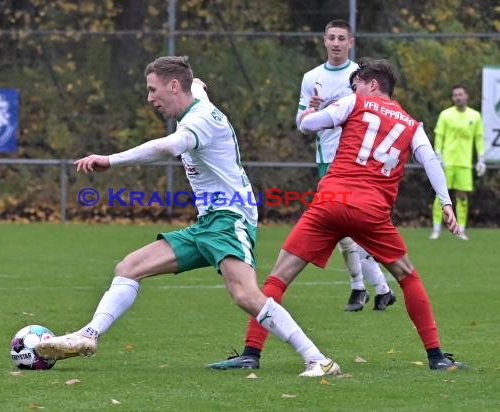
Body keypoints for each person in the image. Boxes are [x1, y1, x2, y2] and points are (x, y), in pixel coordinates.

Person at [34, 56, 341, 378]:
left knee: (246, 295)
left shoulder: (201, 119)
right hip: (208, 222)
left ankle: (317, 359)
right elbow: (199, 85)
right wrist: (194, 79)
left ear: (173, 86)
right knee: (129, 267)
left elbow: (169, 147)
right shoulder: (195, 98)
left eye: (154, 90)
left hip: (229, 217)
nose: (150, 98)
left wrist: (110, 160)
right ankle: (89, 335)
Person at [207, 58, 465, 372]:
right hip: (371, 210)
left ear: (371, 84)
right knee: (407, 276)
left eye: (356, 84)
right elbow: (430, 161)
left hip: (331, 200)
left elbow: (307, 125)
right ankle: (437, 357)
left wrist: (310, 110)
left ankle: (251, 352)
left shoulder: (356, 101)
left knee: (277, 278)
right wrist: (446, 202)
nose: (353, 89)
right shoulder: (412, 124)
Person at [297, 19, 395, 312]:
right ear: (324, 41)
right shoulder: (311, 77)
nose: (336, 42)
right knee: (343, 232)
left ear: (350, 42)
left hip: (357, 163)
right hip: (327, 161)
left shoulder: (362, 78)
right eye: (332, 37)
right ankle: (373, 289)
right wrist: (314, 109)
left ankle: (367, 288)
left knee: (351, 228)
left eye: (342, 38)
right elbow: (301, 122)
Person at [430, 84, 485, 241]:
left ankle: (461, 229)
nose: (458, 97)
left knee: (462, 197)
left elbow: (479, 138)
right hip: (446, 162)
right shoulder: (445, 115)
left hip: (464, 163)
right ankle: (436, 229)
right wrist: (438, 155)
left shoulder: (475, 116)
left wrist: (481, 158)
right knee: (440, 196)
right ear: (453, 98)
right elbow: (439, 136)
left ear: (466, 96)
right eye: (455, 95)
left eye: (460, 94)